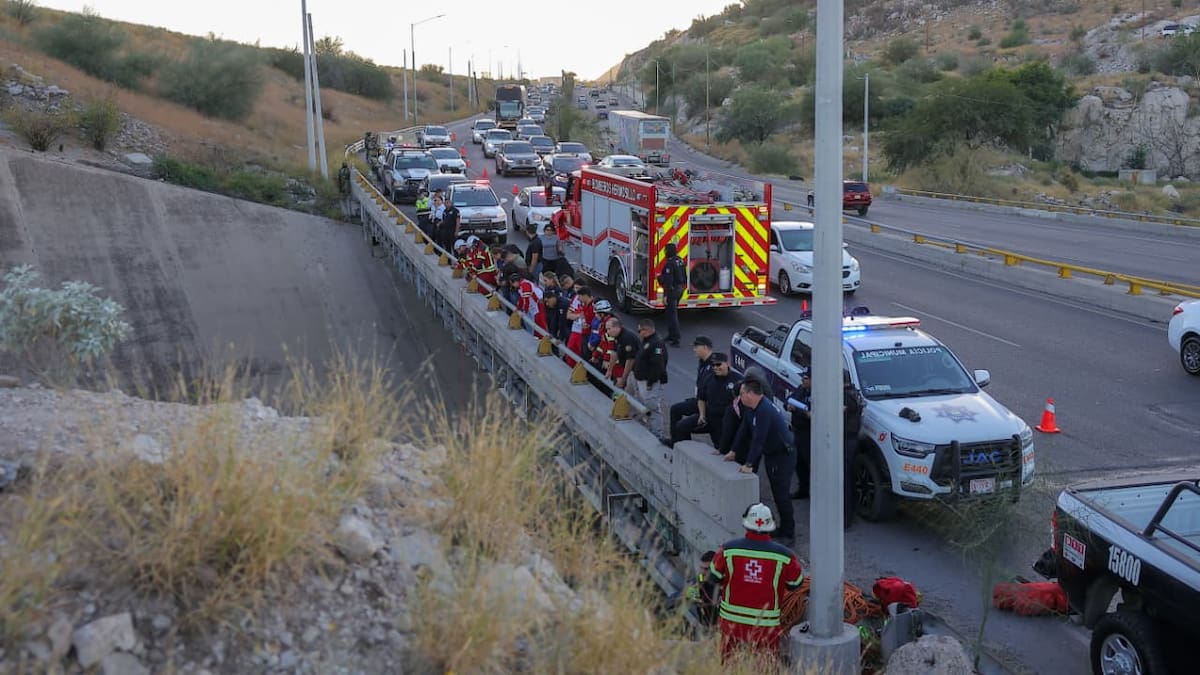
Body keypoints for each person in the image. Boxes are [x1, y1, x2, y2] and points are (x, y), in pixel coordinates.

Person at [704, 503, 803, 664]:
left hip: (732, 622)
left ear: (746, 524)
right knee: (765, 666)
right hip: (765, 624)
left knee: (729, 664)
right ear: (770, 526)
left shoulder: (728, 550)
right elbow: (795, 584)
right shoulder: (785, 556)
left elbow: (713, 578)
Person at [732, 378, 796, 546]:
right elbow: (743, 430)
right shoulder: (751, 408)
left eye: (742, 394)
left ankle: (789, 533)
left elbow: (758, 440)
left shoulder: (764, 410)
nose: (740, 398)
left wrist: (749, 464)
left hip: (783, 455)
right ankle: (781, 528)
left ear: (751, 394)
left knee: (781, 494)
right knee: (776, 492)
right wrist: (733, 451)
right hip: (771, 454)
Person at [672, 353, 740, 447]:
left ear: (727, 363)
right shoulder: (709, 379)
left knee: (722, 448)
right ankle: (688, 450)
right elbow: (701, 398)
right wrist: (702, 415)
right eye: (713, 365)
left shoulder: (738, 380)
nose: (715, 367)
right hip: (709, 417)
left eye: (718, 364)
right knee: (681, 426)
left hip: (724, 421)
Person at [667, 336, 716, 446]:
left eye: (696, 347)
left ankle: (686, 447)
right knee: (675, 409)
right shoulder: (702, 362)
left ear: (705, 347)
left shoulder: (714, 365)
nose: (694, 349)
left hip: (708, 404)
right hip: (699, 399)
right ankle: (674, 441)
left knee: (682, 426)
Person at [628, 318, 669, 439]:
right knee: (645, 405)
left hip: (650, 382)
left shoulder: (656, 343)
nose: (639, 333)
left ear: (646, 330)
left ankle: (657, 435)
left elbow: (658, 365)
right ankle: (648, 428)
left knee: (652, 408)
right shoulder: (647, 341)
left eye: (639, 330)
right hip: (642, 380)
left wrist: (651, 382)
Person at [842, 370, 865, 528]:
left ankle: (846, 518)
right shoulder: (854, 393)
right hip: (852, 438)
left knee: (844, 480)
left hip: (847, 439)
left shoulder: (845, 397)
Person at [787, 369, 813, 500]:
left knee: (810, 464)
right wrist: (789, 405)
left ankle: (814, 491)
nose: (803, 380)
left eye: (806, 378)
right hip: (797, 431)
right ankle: (803, 489)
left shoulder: (817, 394)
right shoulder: (800, 389)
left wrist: (798, 410)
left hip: (809, 434)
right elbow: (789, 399)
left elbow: (811, 414)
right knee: (799, 462)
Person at [658, 242, 687, 347]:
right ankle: (671, 335)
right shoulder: (680, 260)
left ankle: (676, 339)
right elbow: (685, 275)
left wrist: (665, 295)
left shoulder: (669, 264)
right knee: (670, 314)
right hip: (679, 289)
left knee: (672, 315)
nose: (664, 252)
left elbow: (668, 281)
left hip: (672, 290)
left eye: (665, 250)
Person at [564, 286, 594, 367]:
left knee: (584, 356)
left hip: (586, 335)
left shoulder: (593, 306)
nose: (578, 298)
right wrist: (578, 316)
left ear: (584, 295)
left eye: (580, 296)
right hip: (576, 331)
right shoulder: (579, 302)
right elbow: (568, 315)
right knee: (570, 353)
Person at [606, 316, 639, 389]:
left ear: (616, 327)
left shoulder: (627, 338)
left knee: (638, 395)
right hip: (631, 371)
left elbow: (630, 360)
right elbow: (615, 353)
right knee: (629, 393)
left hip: (638, 371)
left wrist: (623, 379)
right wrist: (609, 370)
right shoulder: (617, 336)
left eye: (609, 329)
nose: (607, 332)